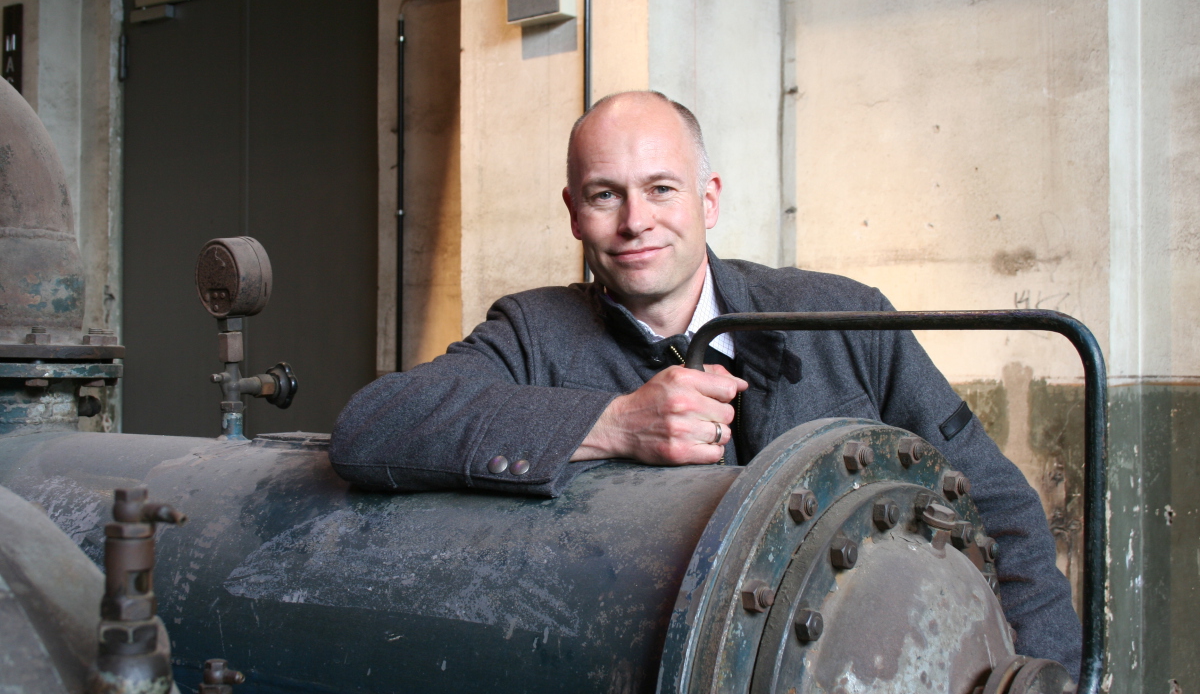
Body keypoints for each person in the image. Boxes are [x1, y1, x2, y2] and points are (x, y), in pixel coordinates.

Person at [331, 90, 1082, 676]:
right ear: (573, 215)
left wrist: (1041, 672)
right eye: (604, 195)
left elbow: (997, 506)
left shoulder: (841, 317)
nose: (635, 221)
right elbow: (374, 426)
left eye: (661, 188)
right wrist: (615, 424)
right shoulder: (536, 333)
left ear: (709, 199)